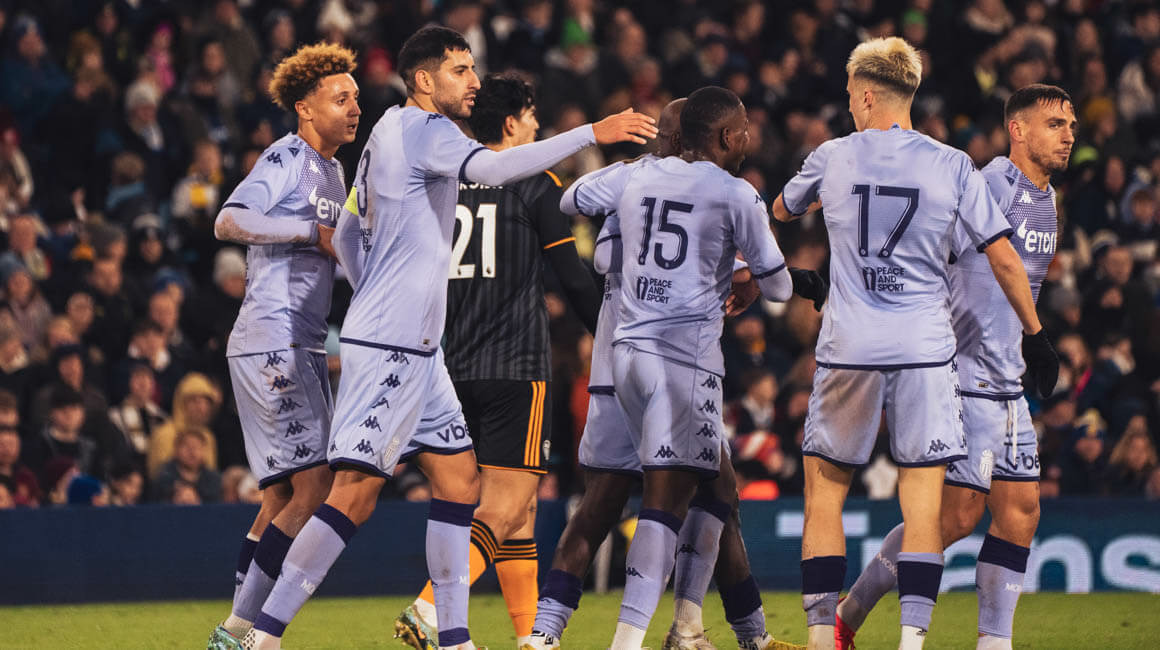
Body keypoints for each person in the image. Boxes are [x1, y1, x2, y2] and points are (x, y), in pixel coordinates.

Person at [243, 26, 655, 650]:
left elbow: (349, 231)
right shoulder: (428, 130)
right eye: (460, 70)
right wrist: (590, 133)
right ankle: (262, 635)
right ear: (424, 79)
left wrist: (374, 286)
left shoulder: (386, 128)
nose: (473, 81)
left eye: (473, 68)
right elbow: (493, 166)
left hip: (423, 347)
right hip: (394, 344)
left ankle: (454, 638)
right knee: (353, 497)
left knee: (461, 483)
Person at [770, 39, 1057, 650]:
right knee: (929, 507)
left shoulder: (834, 155)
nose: (851, 106)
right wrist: (1039, 336)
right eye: (1057, 124)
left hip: (850, 345)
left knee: (827, 491)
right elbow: (1001, 255)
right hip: (930, 352)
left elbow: (781, 209)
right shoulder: (956, 165)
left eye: (852, 97)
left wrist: (820, 210)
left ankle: (824, 635)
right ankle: (908, 640)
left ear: (866, 95)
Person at [527, 97, 805, 650]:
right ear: (715, 136)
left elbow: (578, 210)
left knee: (703, 491)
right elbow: (778, 286)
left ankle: (550, 631)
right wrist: (741, 271)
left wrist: (633, 177)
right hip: (680, 361)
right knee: (670, 501)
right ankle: (640, 639)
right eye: (742, 130)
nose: (748, 138)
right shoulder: (731, 192)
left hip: (619, 359)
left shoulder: (633, 180)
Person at [833, 83, 1075, 650]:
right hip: (964, 375)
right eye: (1055, 125)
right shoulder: (992, 184)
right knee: (955, 517)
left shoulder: (1047, 200)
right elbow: (928, 247)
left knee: (1021, 511)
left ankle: (995, 642)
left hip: (1007, 381)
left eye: (1070, 125)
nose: (1068, 135)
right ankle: (848, 615)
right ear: (1018, 130)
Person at [393, 73, 602, 649]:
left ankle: (530, 637)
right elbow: (574, 281)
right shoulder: (534, 182)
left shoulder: (445, 182)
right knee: (506, 508)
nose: (536, 126)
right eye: (531, 116)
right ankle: (429, 608)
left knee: (520, 512)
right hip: (515, 366)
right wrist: (610, 338)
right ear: (511, 123)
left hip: (450, 368)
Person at [205, 42, 361, 650]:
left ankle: (236, 625)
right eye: (340, 98)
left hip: (298, 342)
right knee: (315, 487)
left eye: (356, 98)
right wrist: (308, 230)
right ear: (305, 108)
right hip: (275, 337)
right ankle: (240, 632)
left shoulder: (335, 173)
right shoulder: (286, 155)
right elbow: (228, 219)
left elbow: (335, 250)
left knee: (278, 497)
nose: (354, 108)